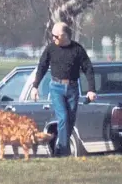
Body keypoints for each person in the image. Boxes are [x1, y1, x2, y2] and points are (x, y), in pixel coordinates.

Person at [31, 22, 97, 157]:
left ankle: (58, 147)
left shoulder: (77, 50)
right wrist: (35, 86)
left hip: (72, 88)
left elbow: (88, 68)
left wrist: (91, 89)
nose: (53, 38)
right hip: (56, 88)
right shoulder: (51, 49)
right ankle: (64, 153)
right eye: (52, 36)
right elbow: (42, 67)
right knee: (63, 118)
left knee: (70, 122)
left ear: (64, 36)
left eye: (55, 36)